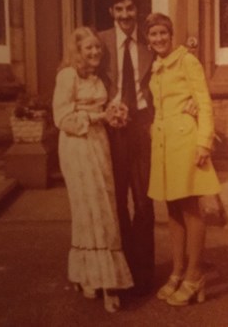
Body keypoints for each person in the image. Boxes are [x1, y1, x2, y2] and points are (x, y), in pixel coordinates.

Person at [52, 26, 133, 313]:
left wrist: (115, 114)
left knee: (105, 208)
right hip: (77, 145)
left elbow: (106, 109)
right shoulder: (67, 76)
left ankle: (101, 277)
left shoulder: (98, 78)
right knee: (87, 210)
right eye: (89, 48)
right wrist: (99, 116)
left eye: (97, 47)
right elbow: (62, 116)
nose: (95, 52)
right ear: (77, 51)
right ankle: (93, 278)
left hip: (99, 144)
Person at [145, 13, 221, 306]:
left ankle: (195, 273)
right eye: (153, 34)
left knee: (191, 208)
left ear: (171, 34)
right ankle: (177, 271)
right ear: (148, 39)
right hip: (165, 146)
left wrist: (204, 142)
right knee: (172, 210)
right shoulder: (156, 67)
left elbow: (203, 101)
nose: (159, 39)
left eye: (163, 33)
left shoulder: (187, 60)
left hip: (187, 142)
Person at [98, 0, 155, 295]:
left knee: (144, 201)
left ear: (137, 11)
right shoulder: (101, 42)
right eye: (119, 10)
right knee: (117, 200)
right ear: (111, 13)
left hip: (142, 127)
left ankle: (144, 271)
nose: (124, 15)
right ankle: (121, 271)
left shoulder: (149, 41)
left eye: (130, 9)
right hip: (113, 129)